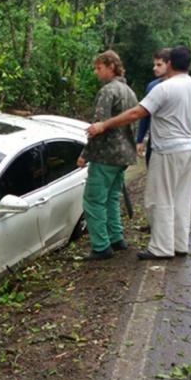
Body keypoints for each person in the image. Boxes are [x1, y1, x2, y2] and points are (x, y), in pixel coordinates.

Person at [86, 45, 191, 260]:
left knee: (160, 198)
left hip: (167, 149)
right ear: (189, 65)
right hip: (189, 149)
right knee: (181, 198)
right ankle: (180, 244)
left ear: (169, 63)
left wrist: (104, 125)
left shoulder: (164, 88)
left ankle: (161, 248)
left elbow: (136, 113)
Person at [77, 50, 138, 261]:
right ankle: (116, 238)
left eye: (99, 68)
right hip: (124, 155)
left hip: (106, 155)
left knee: (93, 201)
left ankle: (101, 246)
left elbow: (97, 127)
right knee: (112, 198)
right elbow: (134, 124)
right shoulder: (129, 91)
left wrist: (85, 154)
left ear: (111, 67)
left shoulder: (108, 91)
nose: (96, 72)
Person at [136, 48, 171, 166]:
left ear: (169, 64)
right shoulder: (152, 86)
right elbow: (145, 114)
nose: (155, 68)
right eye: (154, 64)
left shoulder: (181, 86)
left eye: (159, 64)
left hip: (172, 139)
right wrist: (140, 139)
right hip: (154, 139)